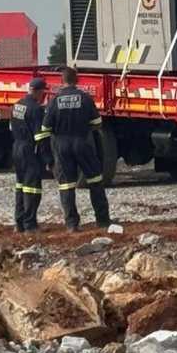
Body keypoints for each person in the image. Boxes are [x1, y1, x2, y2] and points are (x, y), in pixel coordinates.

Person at [43, 66, 111, 232]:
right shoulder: (85, 98)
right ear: (77, 80)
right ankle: (102, 221)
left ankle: (72, 224)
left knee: (66, 185)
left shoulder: (54, 100)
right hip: (83, 142)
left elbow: (46, 128)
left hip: (62, 145)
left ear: (62, 81)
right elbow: (97, 124)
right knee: (95, 180)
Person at [10, 77, 50, 233]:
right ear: (39, 91)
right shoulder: (36, 109)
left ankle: (19, 222)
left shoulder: (17, 105)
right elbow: (40, 137)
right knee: (33, 187)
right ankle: (30, 224)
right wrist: (48, 158)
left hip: (16, 147)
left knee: (20, 185)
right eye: (43, 93)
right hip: (28, 149)